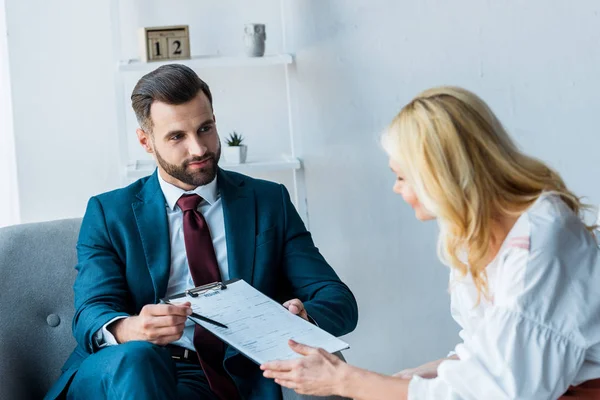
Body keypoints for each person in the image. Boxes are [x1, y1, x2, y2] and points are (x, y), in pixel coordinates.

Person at [261, 86, 600, 399]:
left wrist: (346, 379)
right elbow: (481, 355)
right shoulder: (480, 234)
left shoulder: (539, 242)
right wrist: (404, 377)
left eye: (402, 176)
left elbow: (501, 390)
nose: (396, 188)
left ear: (441, 176)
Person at [44, 64, 358, 400]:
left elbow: (338, 301)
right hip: (130, 371)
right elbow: (91, 311)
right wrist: (131, 327)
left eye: (205, 128)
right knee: (139, 358)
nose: (198, 149)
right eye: (177, 136)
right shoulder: (110, 212)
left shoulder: (268, 201)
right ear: (146, 142)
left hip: (232, 375)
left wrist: (302, 315)